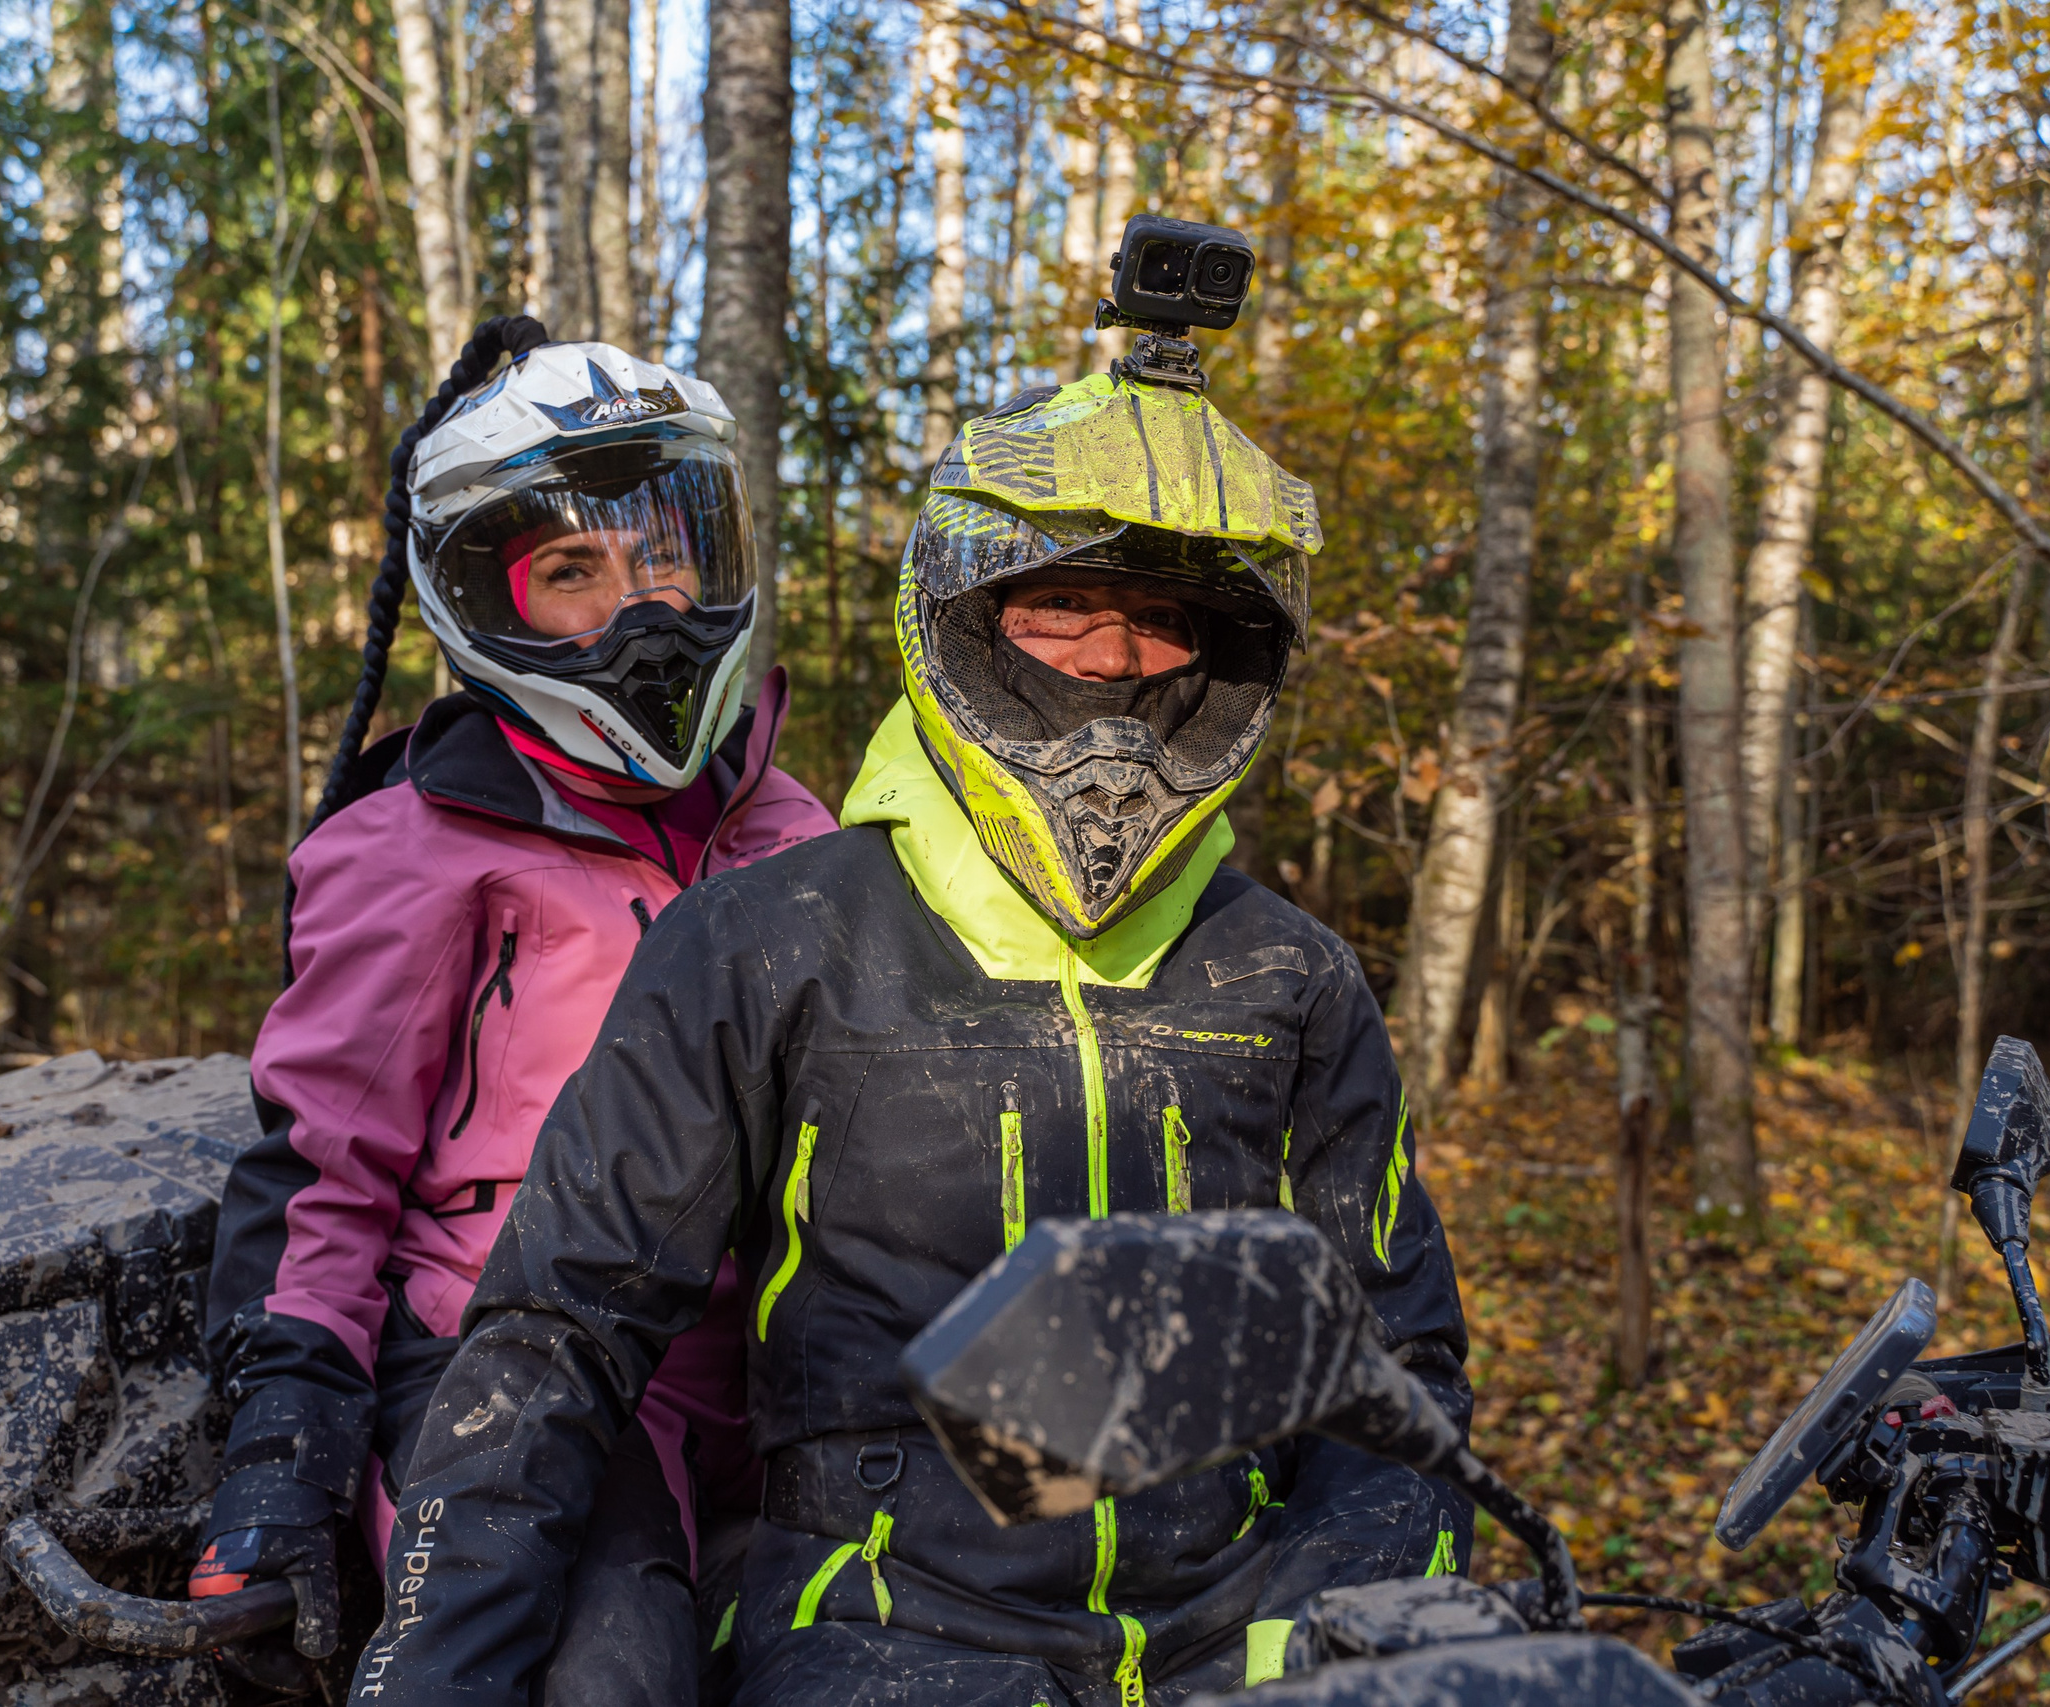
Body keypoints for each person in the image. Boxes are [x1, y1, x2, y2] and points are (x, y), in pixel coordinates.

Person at [356, 367, 1473, 1707]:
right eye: (1065, 606)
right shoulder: (762, 942)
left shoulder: (1288, 972)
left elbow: (1400, 1361)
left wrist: (1334, 1610)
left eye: (1162, 621)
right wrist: (435, 1663)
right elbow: (562, 1327)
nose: (1113, 659)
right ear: (973, 616)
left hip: (1235, 1613)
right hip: (884, 1621)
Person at [190, 314, 837, 1698]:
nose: (642, 606)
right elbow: (319, 1162)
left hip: (766, 1359)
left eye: (668, 555)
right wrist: (283, 1441)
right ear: (488, 599)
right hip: (505, 1349)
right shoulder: (417, 841)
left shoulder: (789, 827)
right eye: (573, 573)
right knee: (605, 1676)